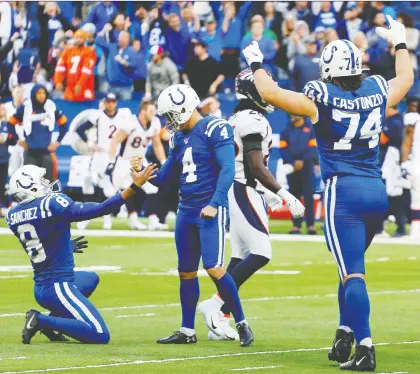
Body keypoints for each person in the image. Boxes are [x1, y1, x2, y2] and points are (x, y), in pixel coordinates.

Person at [242, 15, 413, 371]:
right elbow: (406, 78)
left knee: (352, 273)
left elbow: (270, 92)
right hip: (375, 192)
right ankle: (346, 331)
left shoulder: (322, 97)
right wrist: (399, 44)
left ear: (329, 69)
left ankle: (365, 347)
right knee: (348, 270)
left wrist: (256, 63)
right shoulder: (375, 89)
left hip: (344, 192)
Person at [131, 84, 253, 347]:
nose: (168, 121)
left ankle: (242, 323)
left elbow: (228, 169)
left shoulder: (214, 127)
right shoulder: (178, 138)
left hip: (209, 208)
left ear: (184, 109)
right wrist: (143, 172)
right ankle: (187, 330)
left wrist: (215, 203)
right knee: (186, 272)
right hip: (185, 210)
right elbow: (166, 178)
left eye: (170, 115)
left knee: (214, 267)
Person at [199, 69, 304, 341]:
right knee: (261, 253)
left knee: (240, 257)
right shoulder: (252, 119)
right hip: (242, 188)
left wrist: (266, 193)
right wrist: (285, 195)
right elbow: (255, 166)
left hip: (241, 188)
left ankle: (220, 319)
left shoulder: (238, 117)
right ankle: (216, 303)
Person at [6, 162, 157, 344]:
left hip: (43, 285)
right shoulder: (51, 204)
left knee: (90, 278)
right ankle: (42, 320)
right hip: (57, 286)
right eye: (42, 180)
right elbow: (100, 209)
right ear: (29, 186)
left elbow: (41, 235)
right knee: (100, 334)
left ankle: (52, 324)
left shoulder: (14, 214)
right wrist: (134, 186)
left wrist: (63, 246)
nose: (47, 182)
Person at [72, 93, 133, 230]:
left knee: (111, 188)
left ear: (116, 102)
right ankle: (87, 217)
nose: (110, 104)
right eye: (108, 101)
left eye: (112, 101)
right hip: (101, 154)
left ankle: (108, 217)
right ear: (104, 102)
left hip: (115, 155)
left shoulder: (123, 116)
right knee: (92, 184)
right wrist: (90, 143)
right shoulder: (98, 116)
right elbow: (80, 129)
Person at [108, 101, 168, 231]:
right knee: (121, 189)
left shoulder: (155, 123)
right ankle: (132, 219)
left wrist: (163, 161)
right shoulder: (131, 122)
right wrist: (111, 160)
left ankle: (153, 220)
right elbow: (116, 140)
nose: (154, 114)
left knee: (152, 188)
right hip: (124, 160)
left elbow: (157, 144)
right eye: (151, 111)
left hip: (140, 160)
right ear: (143, 111)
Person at [8, 84, 68, 181]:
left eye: (44, 93)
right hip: (30, 152)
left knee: (48, 184)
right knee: (30, 185)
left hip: (47, 152)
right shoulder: (25, 107)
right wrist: (18, 140)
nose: (42, 95)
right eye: (39, 93)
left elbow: (64, 124)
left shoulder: (51, 107)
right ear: (33, 95)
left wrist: (57, 142)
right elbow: (10, 123)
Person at [280, 114, 319, 235]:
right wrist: (293, 162)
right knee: (294, 197)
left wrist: (303, 161)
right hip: (292, 168)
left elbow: (312, 148)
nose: (292, 115)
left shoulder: (310, 129)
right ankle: (296, 226)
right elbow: (282, 149)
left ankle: (311, 225)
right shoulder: (286, 131)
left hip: (307, 166)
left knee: (308, 196)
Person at [54, 29, 96, 102]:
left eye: (81, 38)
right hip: (70, 87)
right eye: (77, 37)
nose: (79, 40)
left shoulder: (89, 51)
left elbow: (87, 70)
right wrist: (58, 81)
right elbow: (60, 68)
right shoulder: (67, 51)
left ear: (84, 39)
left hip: (85, 87)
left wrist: (80, 84)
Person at [96, 30, 136, 100]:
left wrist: (126, 64)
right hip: (112, 86)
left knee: (125, 108)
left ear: (127, 39)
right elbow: (98, 41)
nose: (119, 38)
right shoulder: (112, 47)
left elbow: (135, 67)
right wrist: (103, 31)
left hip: (125, 88)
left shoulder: (132, 52)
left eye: (122, 37)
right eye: (119, 36)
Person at [401, 99, 420, 239]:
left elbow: (406, 143)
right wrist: (404, 162)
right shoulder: (415, 121)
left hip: (415, 164)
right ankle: (415, 230)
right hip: (416, 163)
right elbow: (407, 142)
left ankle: (415, 230)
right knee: (416, 199)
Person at [5, 85, 25, 177]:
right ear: (12, 93)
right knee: (12, 171)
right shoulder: (6, 107)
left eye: (22, 92)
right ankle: (10, 187)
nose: (20, 95)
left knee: (25, 171)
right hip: (12, 143)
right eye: (18, 92)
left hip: (25, 143)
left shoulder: (29, 107)